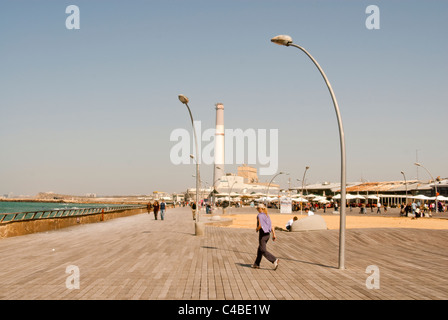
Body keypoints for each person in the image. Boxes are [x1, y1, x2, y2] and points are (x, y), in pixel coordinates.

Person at [252, 203, 279, 270]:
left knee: (263, 250)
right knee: (260, 249)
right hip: (268, 235)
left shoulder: (259, 215)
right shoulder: (267, 215)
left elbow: (260, 225)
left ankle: (274, 260)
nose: (257, 210)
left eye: (257, 208)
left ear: (260, 209)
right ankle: (256, 264)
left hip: (263, 235)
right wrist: (274, 234)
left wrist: (257, 229)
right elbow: (271, 225)